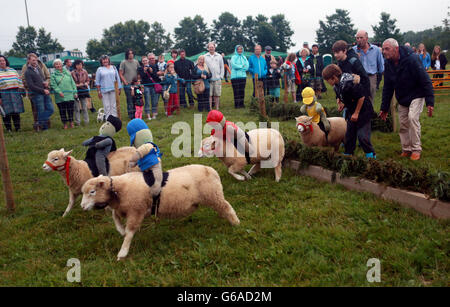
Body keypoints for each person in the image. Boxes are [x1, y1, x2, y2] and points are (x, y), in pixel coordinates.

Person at [379, 38, 434, 161]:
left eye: (386, 49)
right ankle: (406, 149)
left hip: (417, 94)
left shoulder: (412, 59)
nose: (384, 52)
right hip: (403, 97)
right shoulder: (388, 64)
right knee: (403, 123)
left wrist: (430, 102)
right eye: (383, 49)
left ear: (396, 49)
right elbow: (387, 87)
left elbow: (425, 80)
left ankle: (416, 149)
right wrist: (384, 108)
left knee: (412, 118)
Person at [323, 64, 376, 159]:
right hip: (352, 110)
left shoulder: (349, 83)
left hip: (363, 111)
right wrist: (341, 103)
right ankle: (349, 153)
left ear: (334, 77)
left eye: (328, 81)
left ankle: (370, 154)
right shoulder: (337, 85)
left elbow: (361, 97)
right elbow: (341, 96)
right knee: (349, 134)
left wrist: (356, 113)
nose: (327, 83)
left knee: (362, 135)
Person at [127, 119, 163, 207]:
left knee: (157, 181)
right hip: (145, 169)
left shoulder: (148, 146)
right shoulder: (146, 147)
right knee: (146, 181)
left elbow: (139, 153)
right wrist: (134, 163)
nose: (135, 145)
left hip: (155, 167)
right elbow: (139, 158)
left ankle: (156, 195)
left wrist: (132, 160)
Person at [353, 30, 385, 105]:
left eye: (361, 38)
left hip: (371, 77)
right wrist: (355, 58)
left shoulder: (376, 50)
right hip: (358, 77)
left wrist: (380, 75)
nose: (359, 40)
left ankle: (369, 115)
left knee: (370, 99)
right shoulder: (354, 50)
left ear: (367, 38)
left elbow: (381, 66)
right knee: (357, 99)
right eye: (357, 38)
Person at [24, 53, 54, 131]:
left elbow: (42, 79)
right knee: (41, 110)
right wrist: (43, 90)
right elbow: (31, 86)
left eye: (36, 60)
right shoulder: (27, 72)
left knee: (51, 109)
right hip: (37, 94)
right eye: (33, 60)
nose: (35, 61)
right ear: (28, 60)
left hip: (45, 92)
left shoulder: (39, 69)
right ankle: (44, 128)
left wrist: (45, 83)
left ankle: (39, 122)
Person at [0, 55, 25, 132]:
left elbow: (19, 81)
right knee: (6, 112)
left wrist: (21, 91)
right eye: (0, 61)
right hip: (3, 94)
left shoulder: (13, 70)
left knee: (16, 111)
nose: (2, 62)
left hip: (15, 93)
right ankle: (8, 128)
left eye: (3, 60)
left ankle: (18, 127)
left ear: (6, 61)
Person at [50, 59, 77, 129]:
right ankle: (65, 124)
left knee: (70, 110)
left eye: (59, 64)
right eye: (56, 64)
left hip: (70, 94)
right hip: (60, 96)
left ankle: (71, 122)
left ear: (62, 64)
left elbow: (73, 83)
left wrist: (75, 92)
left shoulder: (68, 73)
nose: (58, 65)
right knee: (62, 111)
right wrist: (59, 92)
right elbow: (53, 85)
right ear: (54, 66)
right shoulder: (53, 75)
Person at [96, 55, 122, 120]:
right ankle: (108, 119)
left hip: (113, 89)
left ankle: (114, 119)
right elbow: (97, 81)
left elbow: (117, 78)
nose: (105, 61)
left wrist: (119, 88)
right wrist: (99, 91)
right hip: (104, 90)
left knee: (113, 105)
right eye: (103, 59)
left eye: (106, 59)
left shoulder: (113, 67)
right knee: (106, 106)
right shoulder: (99, 69)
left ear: (108, 60)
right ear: (101, 61)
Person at [119, 49, 140, 119]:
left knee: (136, 99)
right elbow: (120, 73)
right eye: (129, 53)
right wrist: (124, 81)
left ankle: (137, 114)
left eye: (132, 53)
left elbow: (139, 72)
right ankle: (131, 116)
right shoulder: (123, 62)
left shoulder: (136, 62)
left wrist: (138, 80)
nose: (130, 55)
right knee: (130, 100)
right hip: (128, 85)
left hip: (136, 85)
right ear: (127, 55)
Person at [204, 42, 224, 110]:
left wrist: (221, 76)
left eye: (212, 47)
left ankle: (217, 108)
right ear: (208, 48)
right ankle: (210, 109)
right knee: (209, 95)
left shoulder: (219, 56)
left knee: (217, 94)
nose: (211, 48)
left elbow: (222, 67)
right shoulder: (205, 56)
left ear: (214, 48)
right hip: (209, 79)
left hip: (217, 78)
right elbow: (204, 67)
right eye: (210, 47)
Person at [138, 55, 158, 120]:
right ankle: (148, 115)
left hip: (152, 85)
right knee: (147, 100)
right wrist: (144, 71)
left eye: (146, 60)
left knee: (154, 100)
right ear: (142, 62)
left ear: (148, 61)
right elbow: (141, 77)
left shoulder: (152, 66)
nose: (145, 62)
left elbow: (155, 76)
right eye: (143, 61)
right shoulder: (140, 68)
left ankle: (154, 114)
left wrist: (151, 71)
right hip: (146, 86)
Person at [71, 60, 90, 126]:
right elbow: (72, 83)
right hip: (75, 91)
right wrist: (78, 85)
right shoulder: (72, 73)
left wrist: (85, 83)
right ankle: (77, 122)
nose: (79, 66)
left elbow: (88, 80)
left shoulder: (85, 72)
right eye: (78, 65)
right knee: (76, 108)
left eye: (81, 64)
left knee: (84, 107)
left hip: (83, 91)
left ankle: (86, 122)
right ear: (75, 65)